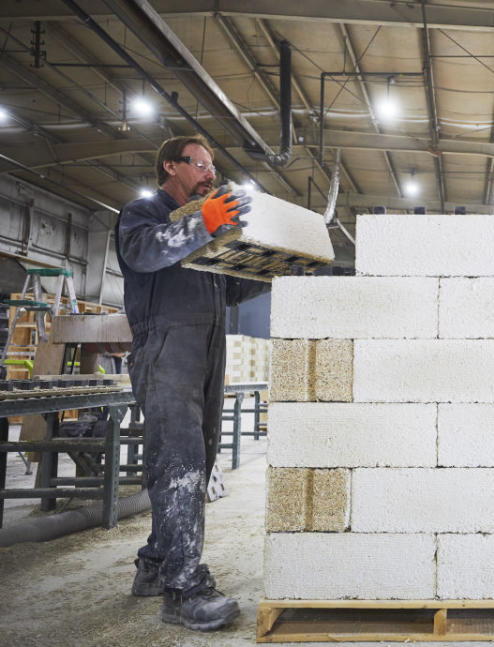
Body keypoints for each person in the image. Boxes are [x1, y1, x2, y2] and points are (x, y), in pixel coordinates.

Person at [116, 134, 268, 631]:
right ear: (170, 166)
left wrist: (273, 262)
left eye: (212, 165)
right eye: (199, 164)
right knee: (179, 461)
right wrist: (204, 223)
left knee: (196, 459)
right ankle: (183, 590)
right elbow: (144, 254)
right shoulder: (145, 214)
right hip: (165, 351)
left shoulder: (210, 229)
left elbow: (230, 287)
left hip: (206, 350)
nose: (209, 172)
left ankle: (156, 563)